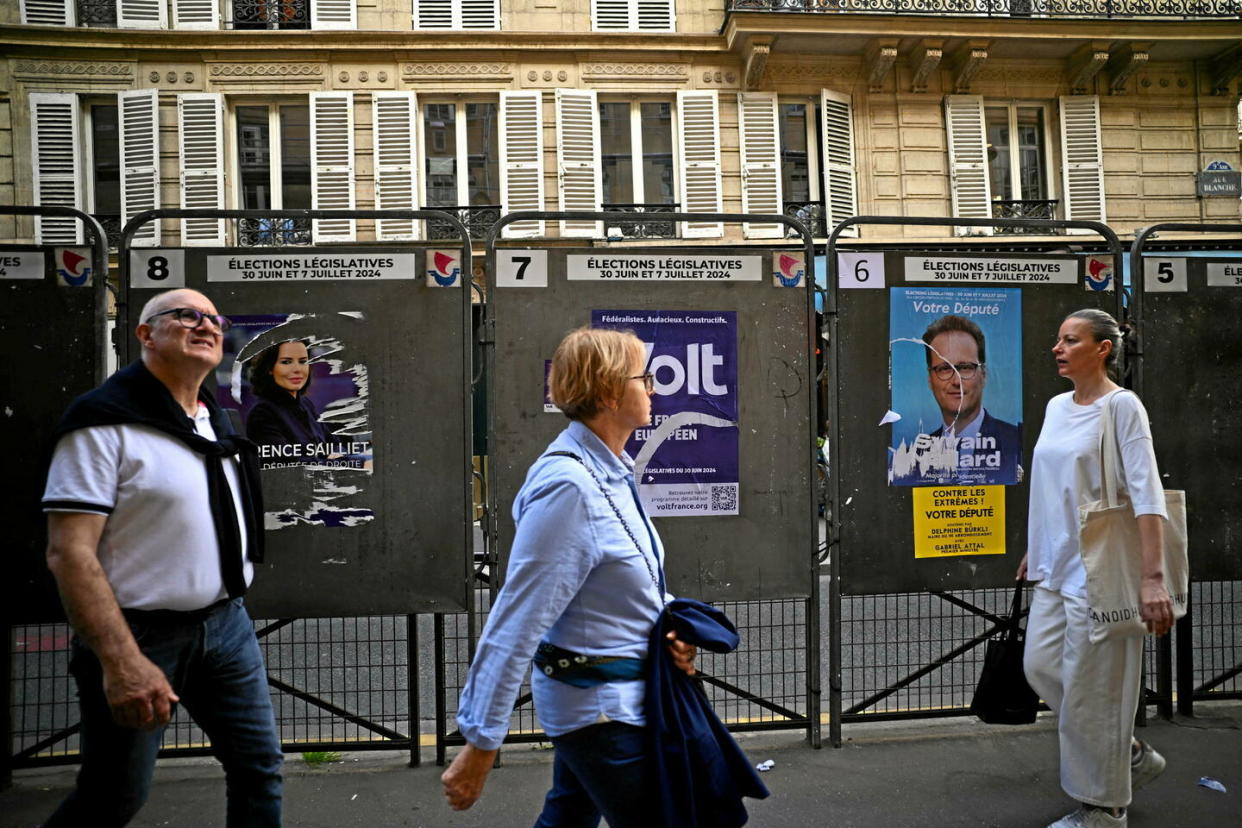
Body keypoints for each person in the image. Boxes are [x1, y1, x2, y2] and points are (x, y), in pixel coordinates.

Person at [40, 288, 282, 827]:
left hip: (227, 626)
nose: (206, 325)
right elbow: (69, 552)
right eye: (185, 315)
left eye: (214, 318)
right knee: (115, 795)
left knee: (260, 769)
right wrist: (122, 663)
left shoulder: (211, 419)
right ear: (145, 335)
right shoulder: (101, 423)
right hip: (140, 636)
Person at [440, 327, 698, 826]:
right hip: (602, 713)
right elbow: (516, 621)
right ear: (607, 393)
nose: (654, 388)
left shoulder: (610, 471)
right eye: (643, 377)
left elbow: (624, 582)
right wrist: (481, 743)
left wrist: (669, 630)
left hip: (614, 701)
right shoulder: (571, 488)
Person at [1019, 308, 1173, 828]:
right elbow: (1051, 484)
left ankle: (1105, 809)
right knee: (1040, 666)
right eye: (1058, 339)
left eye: (1071, 340)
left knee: (1097, 694)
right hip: (1055, 565)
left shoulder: (1123, 408)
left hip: (1102, 571)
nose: (1058, 348)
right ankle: (1125, 752)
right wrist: (1035, 546)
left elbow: (1148, 495)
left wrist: (1153, 578)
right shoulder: (1057, 406)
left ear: (1103, 348)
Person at [905, 314, 1022, 484]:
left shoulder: (1018, 442)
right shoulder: (908, 461)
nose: (955, 381)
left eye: (965, 368)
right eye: (945, 368)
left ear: (983, 375)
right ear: (930, 380)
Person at [245, 339, 329, 446]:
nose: (297, 369)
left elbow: (335, 445)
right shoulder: (263, 413)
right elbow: (288, 461)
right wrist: (329, 458)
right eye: (286, 362)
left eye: (303, 362)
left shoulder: (306, 404)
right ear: (269, 368)